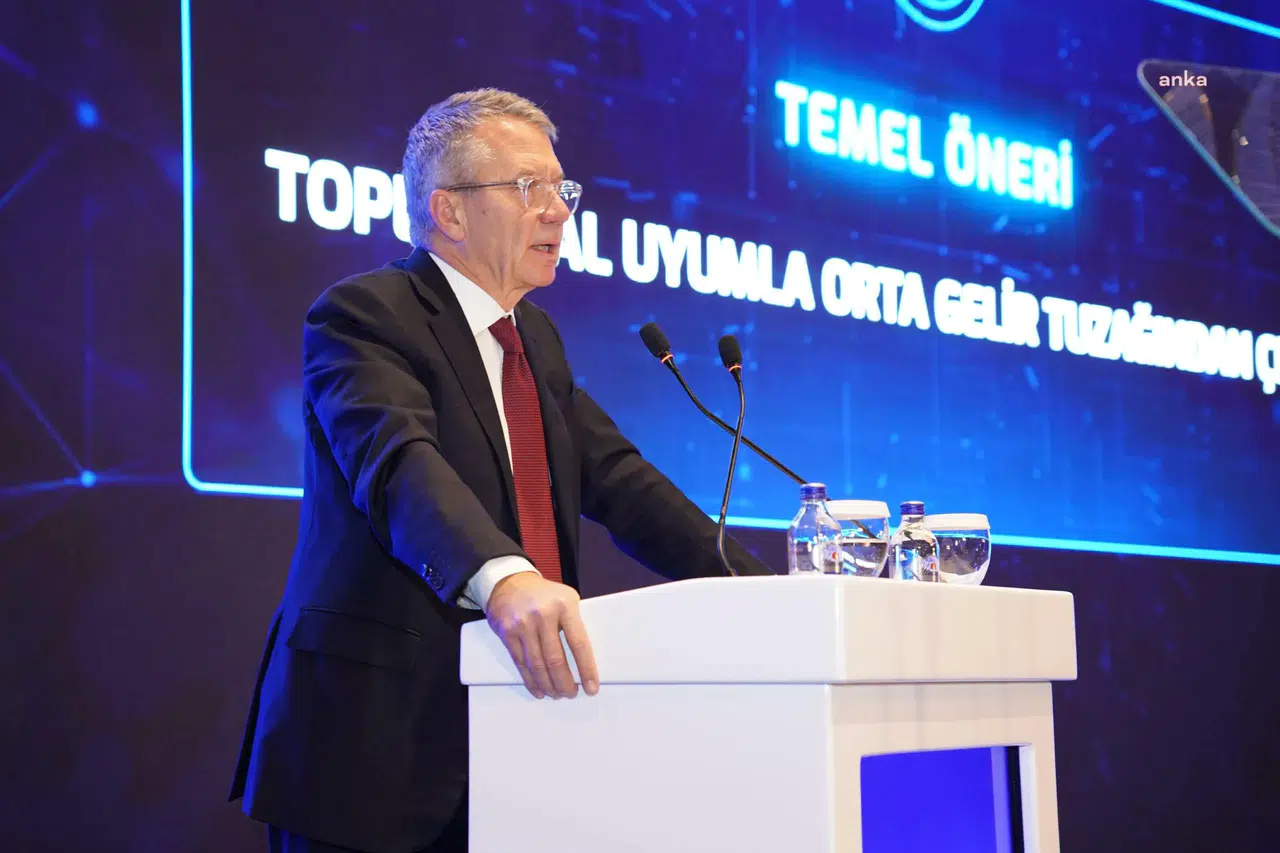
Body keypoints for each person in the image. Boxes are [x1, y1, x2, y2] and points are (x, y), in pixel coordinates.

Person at [228, 88, 774, 853]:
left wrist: (766, 593)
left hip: (517, 745)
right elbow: (398, 464)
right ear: (449, 211)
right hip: (371, 754)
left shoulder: (534, 340)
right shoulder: (364, 315)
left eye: (562, 187)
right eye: (528, 187)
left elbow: (621, 480)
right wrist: (506, 578)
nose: (558, 210)